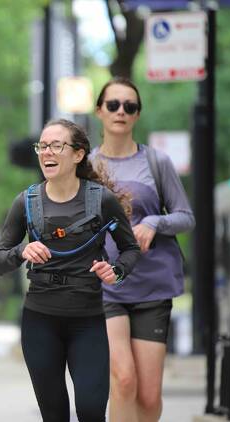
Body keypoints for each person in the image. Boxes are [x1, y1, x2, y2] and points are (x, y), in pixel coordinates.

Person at [0, 119, 141, 422]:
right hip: (40, 321)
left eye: (56, 145)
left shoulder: (101, 200)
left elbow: (131, 249)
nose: (47, 152)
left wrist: (117, 271)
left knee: (89, 410)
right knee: (54, 414)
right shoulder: (26, 202)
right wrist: (22, 251)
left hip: (87, 321)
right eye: (43, 146)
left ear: (77, 154)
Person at [92, 77, 195, 422]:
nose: (121, 111)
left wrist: (155, 223)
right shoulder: (85, 168)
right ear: (99, 111)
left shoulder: (156, 162)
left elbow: (186, 217)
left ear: (136, 115)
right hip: (106, 287)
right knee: (123, 380)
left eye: (129, 106)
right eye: (113, 105)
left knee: (149, 398)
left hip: (152, 286)